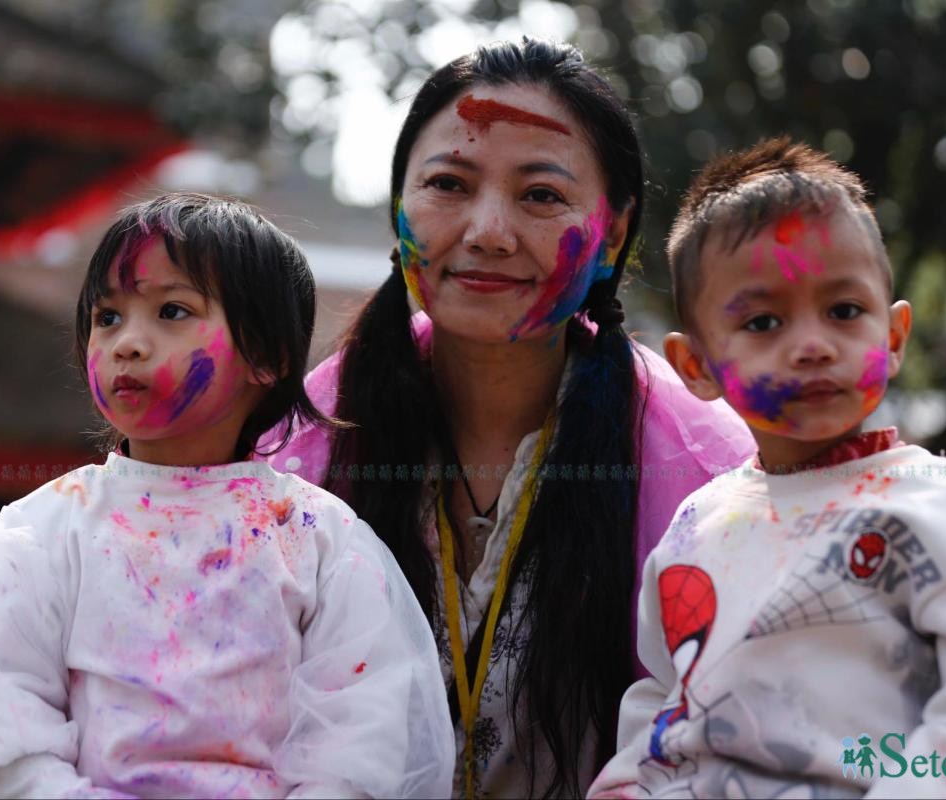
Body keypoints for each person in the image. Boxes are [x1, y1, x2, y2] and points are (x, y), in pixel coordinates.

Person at [261, 39, 755, 798]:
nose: (488, 230)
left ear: (613, 236)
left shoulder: (709, 475)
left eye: (541, 195)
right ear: (400, 205)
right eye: (449, 184)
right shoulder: (292, 451)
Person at [0, 193, 454, 799]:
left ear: (266, 357)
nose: (127, 342)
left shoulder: (318, 538)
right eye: (108, 317)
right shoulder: (49, 529)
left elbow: (366, 726)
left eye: (173, 311)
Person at [589, 139, 946, 798]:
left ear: (894, 337)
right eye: (764, 321)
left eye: (844, 312)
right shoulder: (694, 527)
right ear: (697, 368)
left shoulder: (937, 507)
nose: (814, 345)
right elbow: (662, 695)